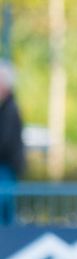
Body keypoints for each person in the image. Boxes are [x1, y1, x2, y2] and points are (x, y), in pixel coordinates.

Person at [0, 60, 24, 226]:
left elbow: (5, 142)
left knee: (5, 213)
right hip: (6, 168)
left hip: (5, 168)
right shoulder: (7, 108)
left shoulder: (10, 109)